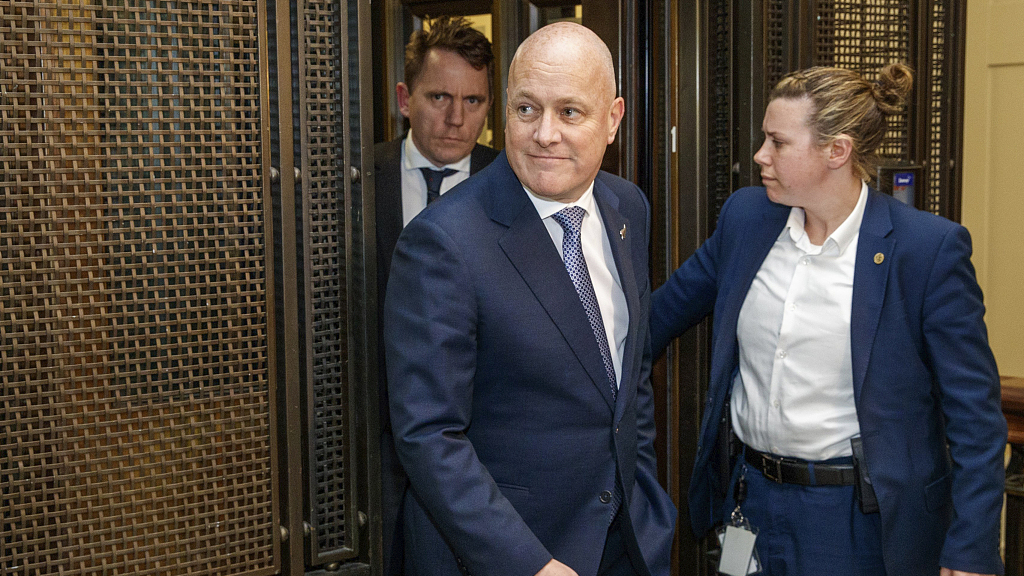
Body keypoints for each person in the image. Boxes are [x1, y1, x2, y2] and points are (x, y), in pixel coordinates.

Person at [651, 63, 1006, 576]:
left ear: (836, 151)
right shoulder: (746, 220)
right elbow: (661, 316)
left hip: (855, 519)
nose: (760, 156)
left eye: (778, 142)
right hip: (751, 499)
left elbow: (975, 418)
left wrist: (971, 548)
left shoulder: (925, 250)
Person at [384, 22, 676, 576]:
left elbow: (627, 377)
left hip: (624, 542)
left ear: (612, 120)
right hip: (509, 554)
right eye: (526, 110)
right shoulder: (443, 241)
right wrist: (530, 565)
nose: (544, 134)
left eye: (570, 112)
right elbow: (429, 434)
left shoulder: (627, 208)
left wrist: (647, 507)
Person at [373, 16, 498, 576]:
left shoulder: (513, 183)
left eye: (473, 101)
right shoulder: (352, 178)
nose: (456, 118)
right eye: (439, 97)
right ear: (405, 98)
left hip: (479, 452)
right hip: (369, 446)